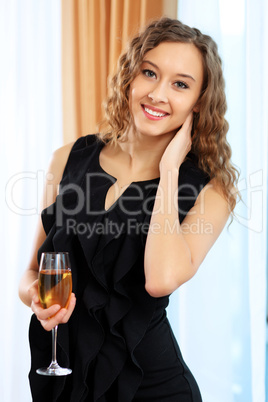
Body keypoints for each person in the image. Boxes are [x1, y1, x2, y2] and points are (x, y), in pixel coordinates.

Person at [19, 17, 239, 402]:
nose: (157, 93)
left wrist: (169, 171)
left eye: (180, 84)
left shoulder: (211, 191)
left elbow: (159, 280)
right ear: (129, 77)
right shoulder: (67, 158)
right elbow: (34, 271)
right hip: (65, 377)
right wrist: (35, 298)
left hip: (153, 387)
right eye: (149, 72)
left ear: (199, 102)